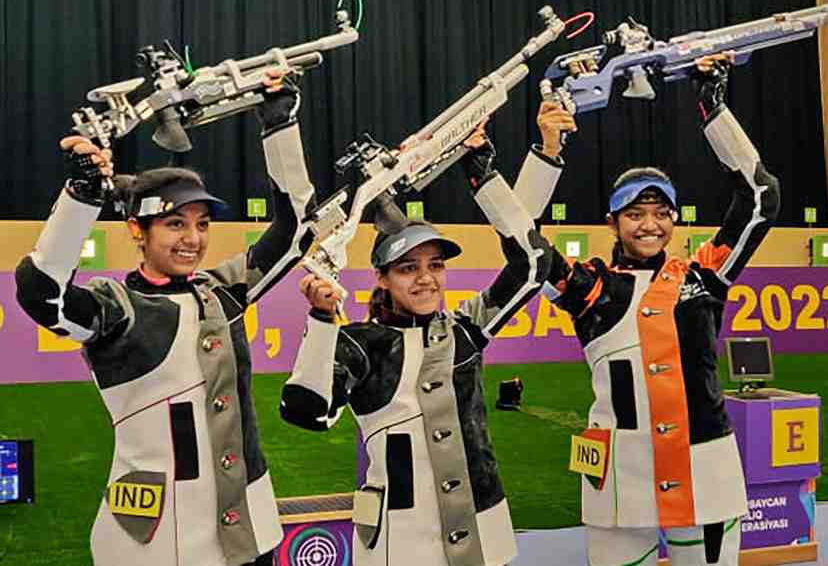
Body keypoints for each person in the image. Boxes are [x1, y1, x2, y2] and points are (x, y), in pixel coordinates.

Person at [15, 72, 315, 565]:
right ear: (138, 230)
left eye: (202, 224)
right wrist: (82, 194)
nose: (192, 239)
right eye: (175, 223)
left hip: (249, 533)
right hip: (152, 543)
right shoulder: (117, 308)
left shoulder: (224, 291)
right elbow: (42, 294)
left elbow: (297, 229)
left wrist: (279, 121)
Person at [521, 55, 781, 565]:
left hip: (704, 464)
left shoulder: (704, 275)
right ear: (612, 222)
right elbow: (521, 243)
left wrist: (712, 106)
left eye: (662, 213)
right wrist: (547, 151)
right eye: (635, 214)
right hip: (620, 473)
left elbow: (761, 198)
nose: (650, 225)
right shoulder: (590, 287)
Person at [279, 121, 559, 566]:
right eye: (408, 268)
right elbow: (306, 412)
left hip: (482, 528)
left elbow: (532, 262)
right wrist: (322, 319)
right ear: (382, 279)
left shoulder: (466, 328)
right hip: (399, 540)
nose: (426, 278)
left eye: (435, 265)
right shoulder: (359, 343)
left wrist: (480, 171)